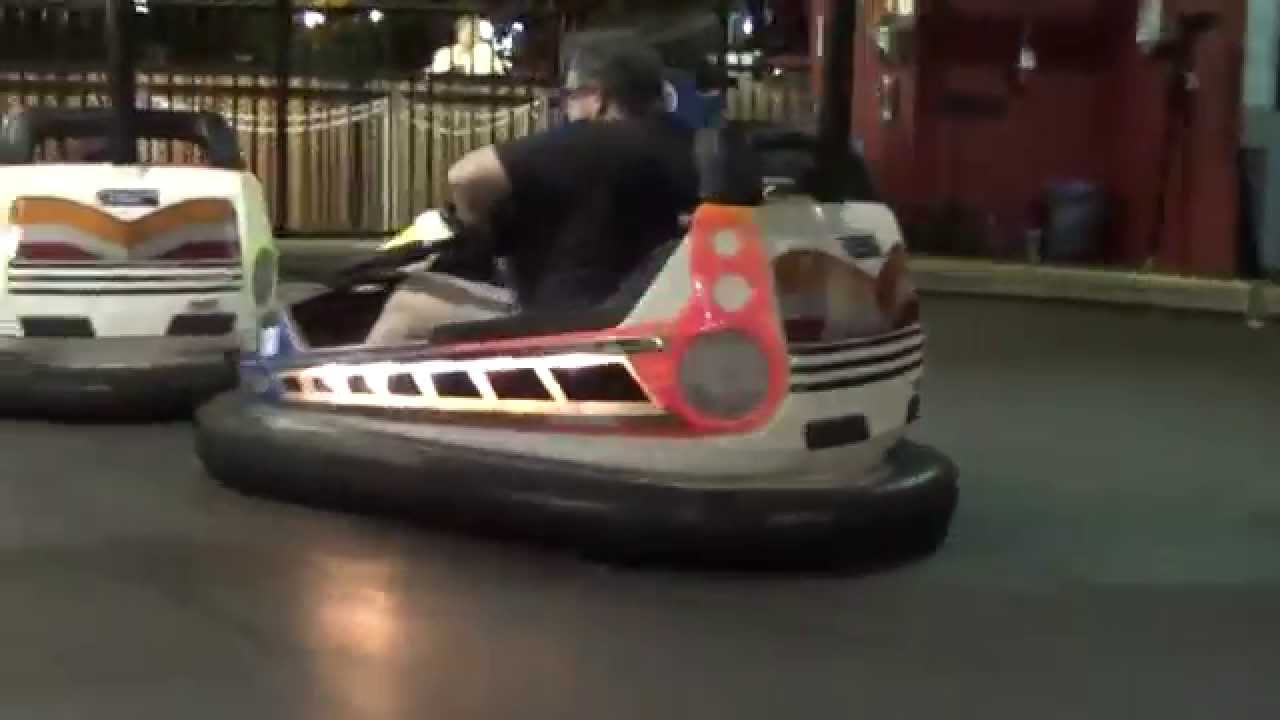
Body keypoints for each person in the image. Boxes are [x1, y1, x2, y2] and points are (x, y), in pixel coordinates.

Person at [367, 37, 700, 345]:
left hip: (568, 323)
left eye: (569, 96)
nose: (565, 108)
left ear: (597, 97)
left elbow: (467, 175)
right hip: (647, 318)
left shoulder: (590, 139)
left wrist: (475, 227)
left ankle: (357, 407)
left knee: (408, 304)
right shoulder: (688, 145)